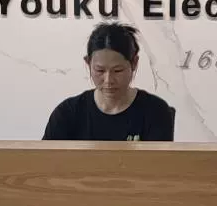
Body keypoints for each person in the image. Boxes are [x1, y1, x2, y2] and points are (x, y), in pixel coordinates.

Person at [43, 23, 175, 142]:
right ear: (88, 63)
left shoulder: (155, 112)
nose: (108, 80)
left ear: (134, 63)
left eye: (117, 71)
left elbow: (159, 160)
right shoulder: (67, 113)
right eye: (100, 70)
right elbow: (45, 158)